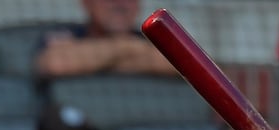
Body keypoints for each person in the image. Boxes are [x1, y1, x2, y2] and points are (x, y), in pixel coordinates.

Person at [32, 0, 175, 78]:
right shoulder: (66, 34)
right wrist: (127, 47)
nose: (120, 4)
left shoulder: (152, 38)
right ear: (86, 3)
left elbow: (179, 65)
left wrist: (94, 61)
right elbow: (55, 64)